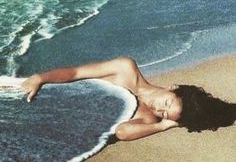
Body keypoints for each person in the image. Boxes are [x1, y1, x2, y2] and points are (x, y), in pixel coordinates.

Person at [21, 57, 236, 141]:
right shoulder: (126, 69)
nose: (158, 108)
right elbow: (76, 72)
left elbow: (122, 132)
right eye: (166, 103)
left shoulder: (148, 118)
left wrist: (164, 126)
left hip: (52, 123)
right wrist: (40, 78)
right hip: (41, 96)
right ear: (173, 88)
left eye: (164, 114)